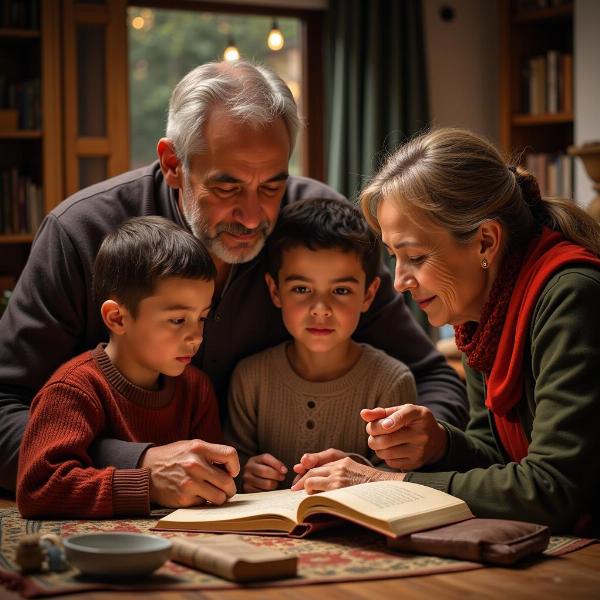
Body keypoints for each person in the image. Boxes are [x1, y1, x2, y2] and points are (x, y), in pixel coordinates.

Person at [0, 60, 467, 496]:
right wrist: (137, 463)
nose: (252, 216)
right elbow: (6, 409)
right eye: (227, 187)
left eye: (272, 186)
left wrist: (404, 446)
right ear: (172, 163)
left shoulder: (315, 232)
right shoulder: (81, 232)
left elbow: (434, 380)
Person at [292, 128, 600, 535]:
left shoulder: (572, 296)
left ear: (486, 242)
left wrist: (386, 484)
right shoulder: (481, 315)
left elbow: (553, 489)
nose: (400, 281)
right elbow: (497, 455)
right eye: (394, 258)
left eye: (416, 256)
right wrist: (439, 444)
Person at [16, 217, 239, 518]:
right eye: (177, 320)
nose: (197, 336)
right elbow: (38, 488)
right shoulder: (73, 389)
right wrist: (148, 486)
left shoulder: (195, 388)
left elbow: (208, 483)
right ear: (117, 318)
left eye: (202, 318)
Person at [225, 197, 417, 491]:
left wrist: (357, 473)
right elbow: (232, 460)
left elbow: (400, 477)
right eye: (301, 289)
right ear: (275, 291)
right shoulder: (250, 377)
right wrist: (245, 473)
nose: (320, 308)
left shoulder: (390, 381)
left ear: (368, 294)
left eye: (341, 290)